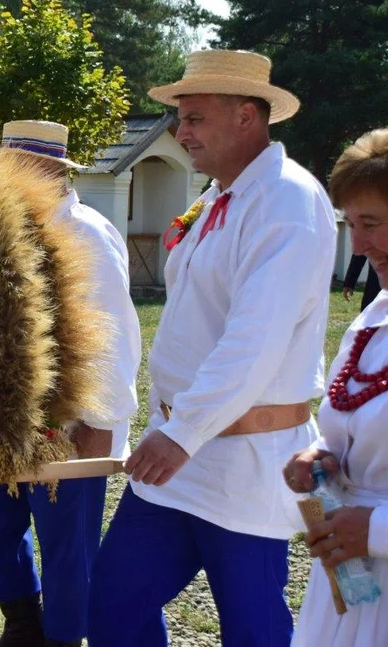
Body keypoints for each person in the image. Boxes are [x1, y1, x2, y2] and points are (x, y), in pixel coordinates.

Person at [87, 50, 337, 646]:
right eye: (182, 117)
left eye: (194, 117)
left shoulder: (288, 201)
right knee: (114, 606)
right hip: (183, 458)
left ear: (247, 116)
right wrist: (177, 433)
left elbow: (256, 340)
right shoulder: (223, 198)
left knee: (252, 630)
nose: (181, 132)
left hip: (243, 464)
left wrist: (180, 433)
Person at [0, 120, 140, 647]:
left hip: (70, 421)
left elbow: (115, 334)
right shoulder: (6, 232)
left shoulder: (85, 232)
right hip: (5, 415)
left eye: (24, 170)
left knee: (66, 540)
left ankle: (65, 638)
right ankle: (22, 621)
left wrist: (101, 423)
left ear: (54, 173)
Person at [284, 127, 388, 646]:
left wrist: (376, 529)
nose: (361, 244)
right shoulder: (371, 319)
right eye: (353, 225)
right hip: (350, 574)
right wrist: (322, 454)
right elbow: (354, 417)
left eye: (372, 224)